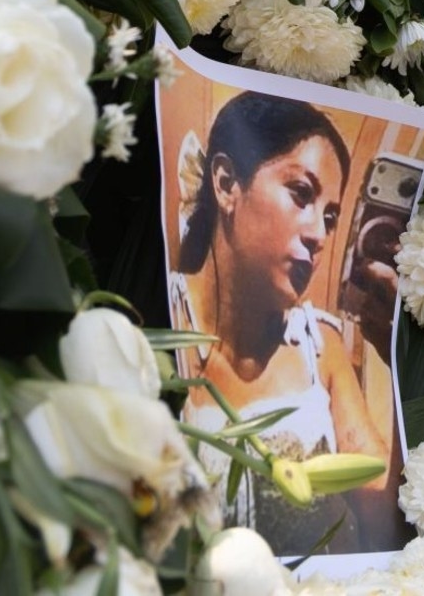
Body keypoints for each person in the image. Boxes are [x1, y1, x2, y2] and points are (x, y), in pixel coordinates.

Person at [168, 91, 399, 556]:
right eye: (301, 194)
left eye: (330, 217)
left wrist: (400, 359)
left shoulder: (319, 344)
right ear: (227, 184)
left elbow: (382, 518)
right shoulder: (162, 322)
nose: (319, 234)